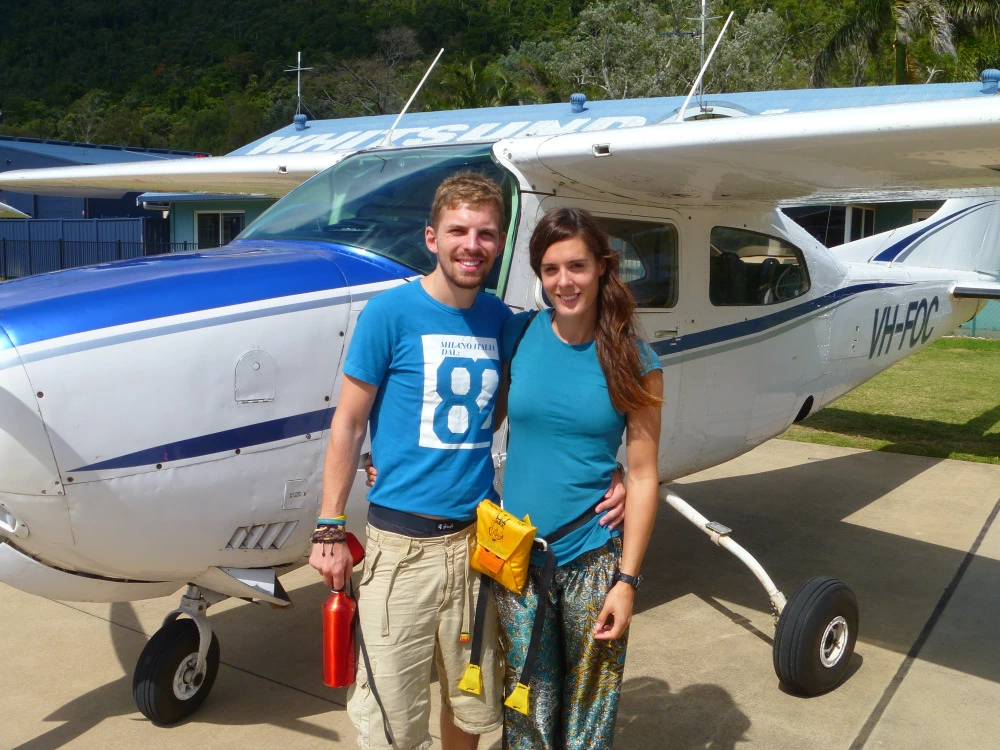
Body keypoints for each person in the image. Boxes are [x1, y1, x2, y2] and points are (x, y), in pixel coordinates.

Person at [309, 173, 625, 750]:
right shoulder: (389, 314)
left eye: (485, 233)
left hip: (479, 549)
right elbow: (349, 422)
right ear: (432, 237)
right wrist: (330, 523)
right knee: (391, 721)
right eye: (458, 230)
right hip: (400, 549)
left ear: (500, 244)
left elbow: (538, 408)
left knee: (471, 708)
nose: (471, 244)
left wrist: (614, 470)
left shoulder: (503, 324)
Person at [494, 207, 663, 750]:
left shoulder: (637, 360)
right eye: (550, 269)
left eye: (577, 266)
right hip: (518, 559)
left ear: (603, 268)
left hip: (593, 560)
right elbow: (474, 425)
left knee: (590, 714)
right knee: (525, 710)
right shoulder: (518, 336)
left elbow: (641, 473)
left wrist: (628, 581)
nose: (563, 282)